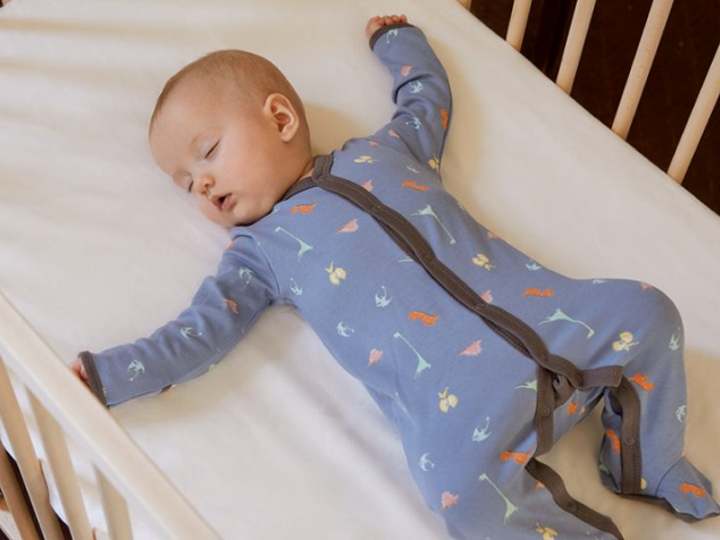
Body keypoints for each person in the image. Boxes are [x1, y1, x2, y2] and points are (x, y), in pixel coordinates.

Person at [70, 14, 719, 539]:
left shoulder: (386, 150)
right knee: (459, 495)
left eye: (206, 152)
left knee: (651, 311)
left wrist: (398, 41)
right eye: (185, 183)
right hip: (461, 410)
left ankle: (642, 461)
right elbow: (196, 335)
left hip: (558, 320)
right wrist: (107, 375)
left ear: (280, 118)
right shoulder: (258, 255)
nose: (201, 183)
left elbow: (427, 97)